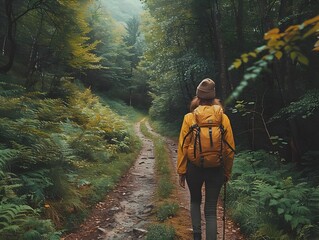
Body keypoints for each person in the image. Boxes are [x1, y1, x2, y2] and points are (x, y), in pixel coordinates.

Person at [177, 78, 235, 240]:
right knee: (210, 209)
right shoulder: (223, 118)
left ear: (198, 97)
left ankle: (196, 237)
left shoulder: (189, 118)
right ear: (213, 97)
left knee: (195, 201)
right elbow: (230, 150)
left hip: (194, 168)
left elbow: (183, 146)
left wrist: (182, 171)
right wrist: (226, 172)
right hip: (216, 169)